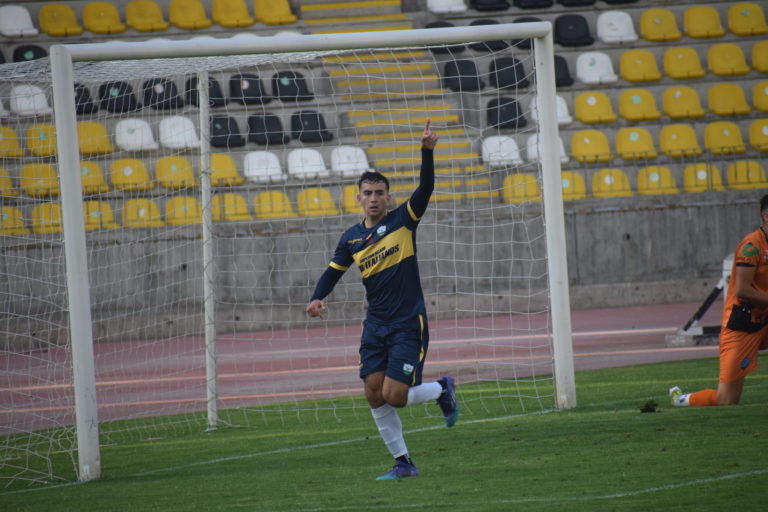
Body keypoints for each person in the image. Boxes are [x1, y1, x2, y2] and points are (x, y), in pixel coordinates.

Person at [306, 119, 458, 480]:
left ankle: (441, 390)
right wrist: (317, 298)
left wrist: (426, 151)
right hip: (375, 325)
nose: (374, 199)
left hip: (408, 323)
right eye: (367, 193)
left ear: (388, 197)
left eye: (379, 193)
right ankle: (403, 462)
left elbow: (427, 187)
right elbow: (334, 271)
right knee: (374, 394)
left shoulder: (404, 220)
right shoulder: (352, 239)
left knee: (395, 395)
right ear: (358, 197)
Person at [670, 194, 768, 407]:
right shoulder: (752, 246)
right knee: (727, 400)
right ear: (766, 216)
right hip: (743, 323)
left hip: (765, 317)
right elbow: (742, 290)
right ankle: (682, 399)